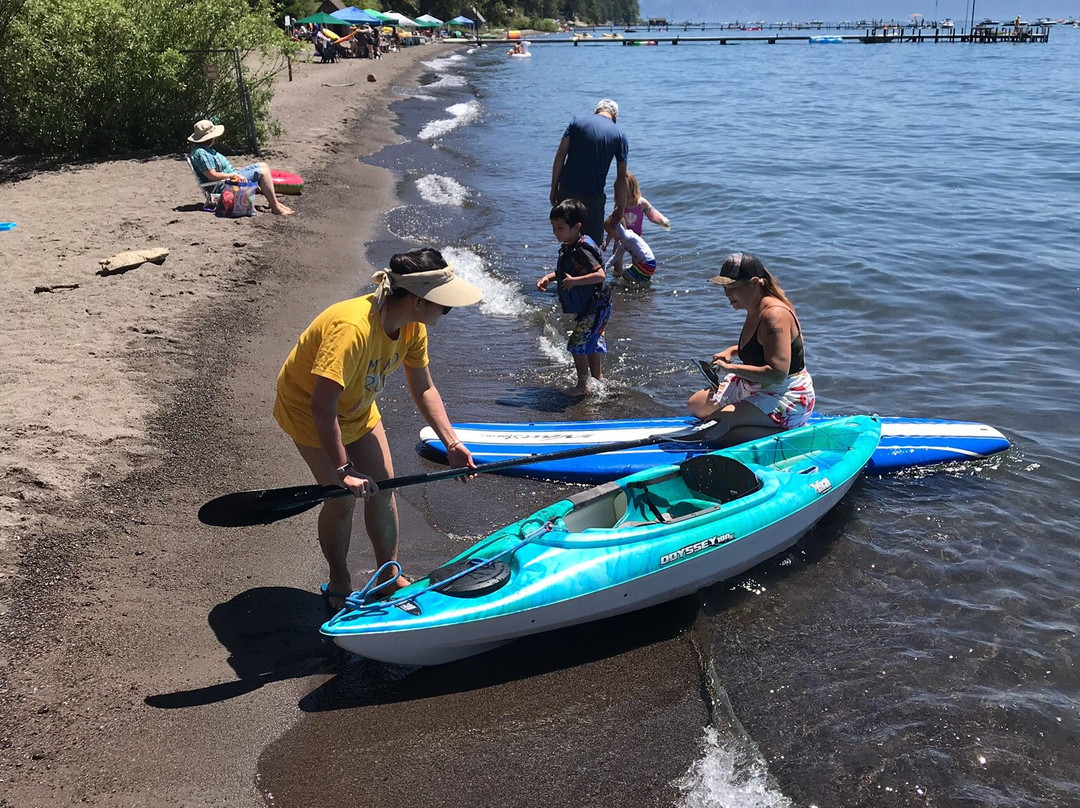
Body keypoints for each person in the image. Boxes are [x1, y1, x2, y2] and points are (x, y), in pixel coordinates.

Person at [273, 249, 481, 609]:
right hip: (309, 411)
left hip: (357, 408)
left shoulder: (412, 326)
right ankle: (339, 577)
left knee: (384, 487)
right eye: (443, 306)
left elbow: (424, 387)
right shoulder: (353, 330)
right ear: (417, 300)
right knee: (340, 500)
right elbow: (322, 406)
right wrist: (345, 470)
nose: (446, 313)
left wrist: (452, 442)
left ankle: (387, 574)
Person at [687, 252, 815, 445]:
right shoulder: (754, 307)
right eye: (724, 287)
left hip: (785, 394)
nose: (727, 294)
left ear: (755, 283)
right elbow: (762, 345)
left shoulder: (774, 316)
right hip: (754, 386)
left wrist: (730, 368)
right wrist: (731, 352)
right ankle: (749, 422)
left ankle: (789, 434)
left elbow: (777, 374)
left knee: (716, 430)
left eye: (733, 287)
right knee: (696, 405)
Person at [536, 199, 612, 395]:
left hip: (595, 306)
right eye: (553, 227)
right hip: (596, 305)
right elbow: (567, 272)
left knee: (577, 345)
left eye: (560, 228)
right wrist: (549, 278)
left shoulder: (581, 250)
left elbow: (600, 275)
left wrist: (574, 282)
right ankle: (597, 379)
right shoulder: (571, 246)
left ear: (576, 227)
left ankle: (583, 385)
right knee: (592, 343)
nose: (555, 232)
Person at [550, 98, 629, 246]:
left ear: (596, 111)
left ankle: (566, 268)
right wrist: (621, 208)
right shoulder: (619, 135)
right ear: (615, 117)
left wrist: (554, 187)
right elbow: (621, 176)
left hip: (567, 190)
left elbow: (561, 153)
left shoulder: (577, 121)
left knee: (567, 237)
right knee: (592, 245)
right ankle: (592, 269)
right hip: (593, 197)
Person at [187, 120, 295, 216]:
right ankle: (275, 207)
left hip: (227, 180)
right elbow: (212, 175)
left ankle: (274, 203)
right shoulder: (202, 153)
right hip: (224, 185)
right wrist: (233, 174)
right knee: (262, 172)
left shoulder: (203, 150)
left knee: (263, 165)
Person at [604, 172, 669, 282]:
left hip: (636, 236)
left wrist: (661, 220)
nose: (623, 195)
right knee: (617, 255)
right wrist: (607, 241)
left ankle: (638, 273)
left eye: (624, 192)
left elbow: (651, 213)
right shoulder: (620, 205)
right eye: (619, 192)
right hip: (620, 236)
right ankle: (618, 272)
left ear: (633, 189)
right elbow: (612, 225)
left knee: (637, 258)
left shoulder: (641, 202)